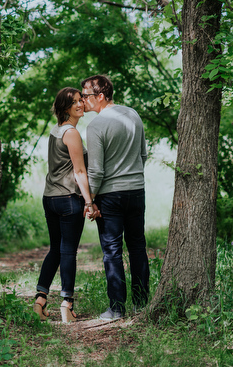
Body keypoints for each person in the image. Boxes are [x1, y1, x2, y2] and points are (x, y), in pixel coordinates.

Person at [81, 75, 149, 320]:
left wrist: (90, 200)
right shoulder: (133, 115)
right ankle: (141, 305)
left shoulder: (96, 126)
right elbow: (143, 155)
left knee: (112, 251)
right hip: (137, 191)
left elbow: (96, 171)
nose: (83, 101)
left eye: (86, 96)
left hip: (110, 195)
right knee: (138, 247)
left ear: (100, 96)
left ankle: (117, 308)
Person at [33, 87, 94, 323]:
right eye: (75, 102)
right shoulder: (71, 133)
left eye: (81, 100)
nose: (80, 104)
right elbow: (79, 170)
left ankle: (40, 300)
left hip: (50, 198)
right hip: (69, 199)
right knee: (68, 251)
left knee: (56, 250)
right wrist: (89, 201)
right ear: (64, 107)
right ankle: (67, 303)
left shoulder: (55, 130)